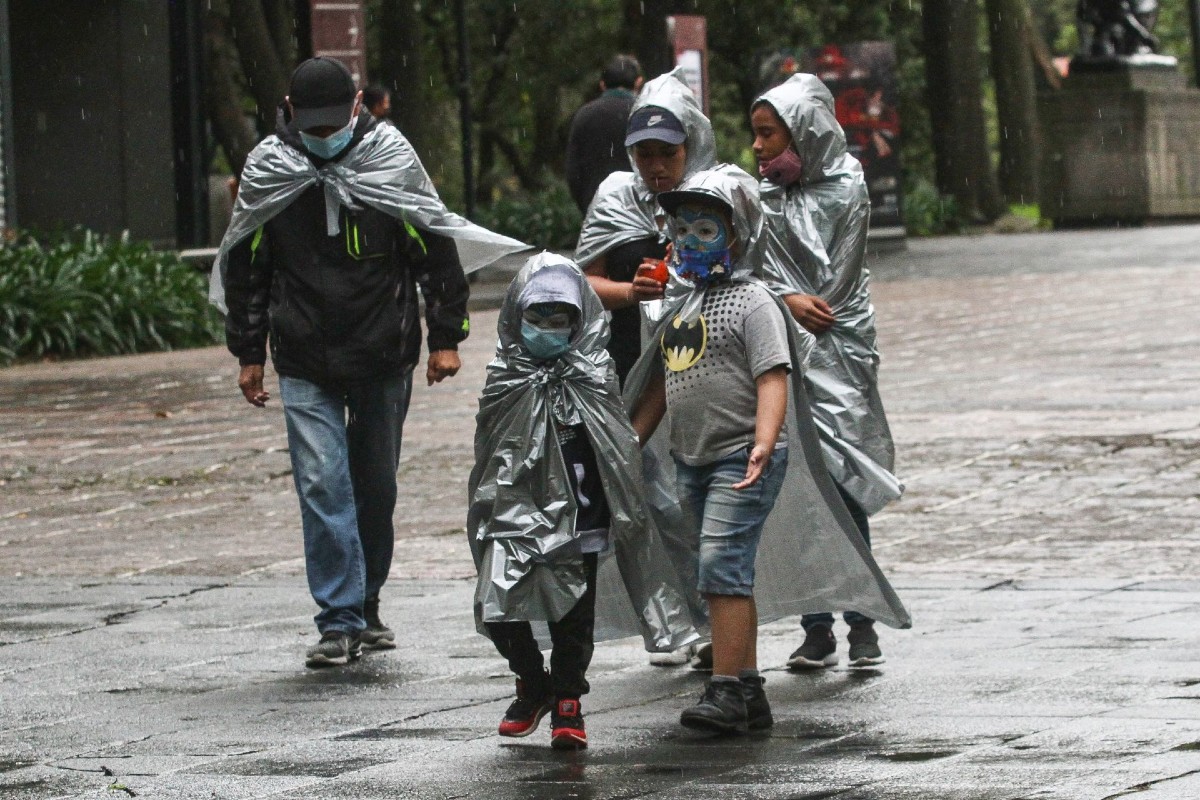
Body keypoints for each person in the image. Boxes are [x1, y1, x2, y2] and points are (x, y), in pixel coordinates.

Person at [213, 56, 527, 668]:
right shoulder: (271, 169)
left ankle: (368, 600)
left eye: (335, 123)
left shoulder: (389, 160)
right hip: (302, 355)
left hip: (383, 349)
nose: (324, 135)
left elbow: (433, 245)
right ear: (290, 111)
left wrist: (446, 336)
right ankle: (339, 618)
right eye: (312, 125)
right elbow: (246, 264)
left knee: (373, 485)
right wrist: (248, 352)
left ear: (358, 107)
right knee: (322, 482)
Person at [625, 165, 911, 734]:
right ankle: (749, 690)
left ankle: (727, 689)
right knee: (719, 569)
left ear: (738, 237)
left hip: (740, 456)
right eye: (680, 230)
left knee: (720, 566)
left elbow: (772, 374)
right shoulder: (685, 307)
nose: (688, 242)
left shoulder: (754, 302)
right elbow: (660, 381)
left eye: (705, 230)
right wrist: (629, 443)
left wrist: (763, 441)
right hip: (693, 459)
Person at [468, 254, 698, 749]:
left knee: (573, 615)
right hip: (512, 513)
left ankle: (568, 699)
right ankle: (533, 681)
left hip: (580, 511)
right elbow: (488, 449)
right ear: (516, 316)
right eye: (537, 317)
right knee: (497, 607)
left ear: (580, 321)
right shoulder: (504, 375)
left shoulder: (592, 373)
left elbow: (614, 443)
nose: (548, 329)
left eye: (560, 319)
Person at [751, 74, 903, 670]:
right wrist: (784, 303)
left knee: (841, 483)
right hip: (782, 352)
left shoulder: (847, 189)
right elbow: (750, 271)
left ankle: (861, 620)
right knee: (792, 484)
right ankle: (816, 626)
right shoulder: (761, 200)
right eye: (755, 136)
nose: (759, 148)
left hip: (837, 354)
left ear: (803, 134)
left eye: (769, 135)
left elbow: (833, 293)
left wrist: (794, 304)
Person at [574, 67, 719, 666]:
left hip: (702, 374)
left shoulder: (716, 195)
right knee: (650, 507)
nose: (655, 167)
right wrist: (632, 293)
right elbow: (584, 280)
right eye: (643, 155)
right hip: (628, 369)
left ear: (692, 145)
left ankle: (714, 618)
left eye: (667, 153)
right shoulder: (616, 197)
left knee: (699, 505)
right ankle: (673, 624)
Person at [564, 54, 643, 213]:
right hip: (640, 212)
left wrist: (587, 207)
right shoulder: (645, 113)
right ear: (638, 83)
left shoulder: (584, 115)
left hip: (597, 210)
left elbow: (573, 172)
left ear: (602, 85)